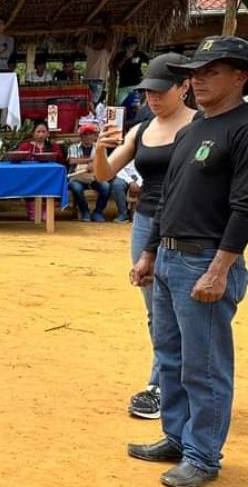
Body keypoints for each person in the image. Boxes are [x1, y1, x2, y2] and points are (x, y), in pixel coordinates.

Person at [127, 36, 248, 487]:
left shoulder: (243, 128)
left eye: (211, 72)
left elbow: (244, 206)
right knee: (171, 357)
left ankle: (202, 455)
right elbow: (167, 197)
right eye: (195, 73)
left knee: (205, 366)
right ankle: (177, 437)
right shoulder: (192, 130)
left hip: (206, 260)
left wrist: (220, 268)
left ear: (240, 77)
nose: (198, 80)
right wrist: (150, 251)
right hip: (169, 257)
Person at [67, 124, 112, 222]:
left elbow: (104, 163)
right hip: (77, 177)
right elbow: (72, 161)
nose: (88, 137)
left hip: (94, 177)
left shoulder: (100, 148)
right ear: (81, 136)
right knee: (76, 188)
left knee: (106, 187)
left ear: (95, 136)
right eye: (85, 134)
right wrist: (91, 160)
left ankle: (98, 212)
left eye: (90, 134)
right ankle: (85, 211)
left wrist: (94, 165)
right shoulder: (73, 147)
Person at [81, 31, 116, 106]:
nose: (99, 43)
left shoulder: (106, 52)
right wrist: (85, 32)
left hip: (98, 81)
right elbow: (79, 44)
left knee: (93, 102)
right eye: (97, 41)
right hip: (87, 80)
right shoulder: (89, 50)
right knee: (84, 101)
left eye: (101, 41)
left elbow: (112, 42)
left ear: (104, 43)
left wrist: (108, 30)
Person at [114, 36, 150, 104]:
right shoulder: (120, 55)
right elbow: (116, 67)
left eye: (132, 44)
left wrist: (145, 76)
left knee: (135, 106)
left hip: (136, 85)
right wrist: (125, 58)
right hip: (123, 85)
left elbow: (147, 65)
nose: (130, 46)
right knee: (120, 106)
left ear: (136, 45)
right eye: (128, 45)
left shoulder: (141, 54)